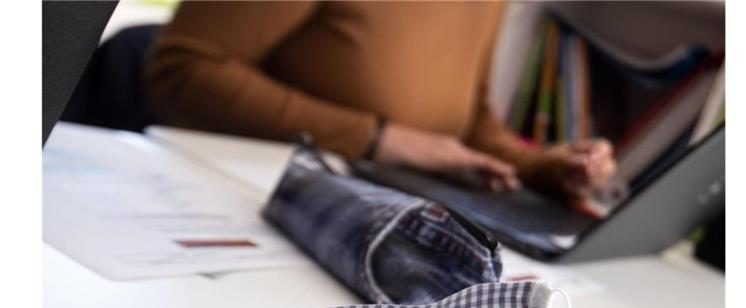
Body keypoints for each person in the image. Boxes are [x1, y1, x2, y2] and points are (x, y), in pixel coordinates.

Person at [144, 1, 616, 202]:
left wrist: (543, 166)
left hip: (389, 210)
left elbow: (467, 121)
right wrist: (379, 139)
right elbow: (182, 70)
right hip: (254, 199)